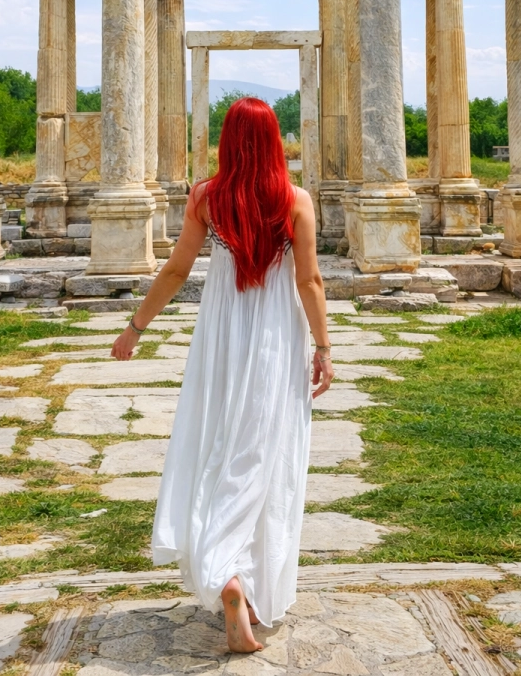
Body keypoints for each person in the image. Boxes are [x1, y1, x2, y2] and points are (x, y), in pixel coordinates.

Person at [111, 97, 334, 652]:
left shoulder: (207, 199)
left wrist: (135, 327)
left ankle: (232, 576)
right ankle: (238, 577)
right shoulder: (296, 201)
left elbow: (177, 268)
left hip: (221, 336)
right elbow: (309, 282)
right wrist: (324, 346)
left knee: (221, 444)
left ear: (229, 142)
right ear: (275, 141)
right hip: (276, 338)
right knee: (265, 453)